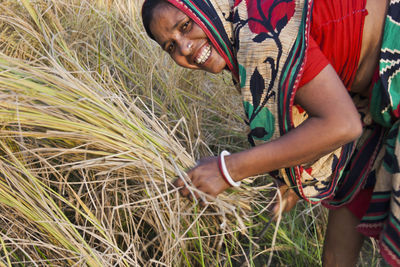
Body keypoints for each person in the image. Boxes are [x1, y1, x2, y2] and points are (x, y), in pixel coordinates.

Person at [141, 0, 400, 265]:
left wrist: (228, 169)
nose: (184, 47)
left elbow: (343, 124)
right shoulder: (244, 29)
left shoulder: (258, 33)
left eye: (185, 26)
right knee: (340, 232)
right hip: (373, 96)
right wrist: (289, 168)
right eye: (170, 46)